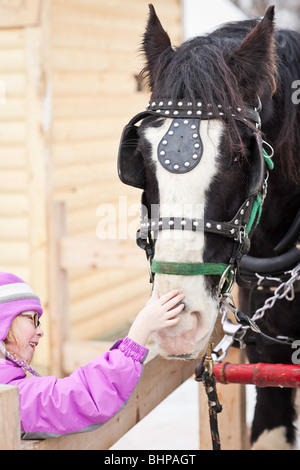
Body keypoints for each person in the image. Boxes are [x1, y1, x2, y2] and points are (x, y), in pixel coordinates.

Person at [0, 272, 184, 439]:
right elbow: (73, 399)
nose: (40, 331)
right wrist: (139, 333)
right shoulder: (10, 396)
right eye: (32, 319)